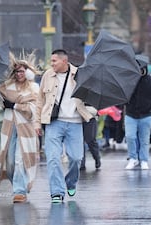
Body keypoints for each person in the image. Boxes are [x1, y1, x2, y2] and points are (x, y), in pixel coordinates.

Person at [35, 49, 93, 203]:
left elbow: (91, 98)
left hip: (75, 122)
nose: (51, 64)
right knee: (53, 158)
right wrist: (37, 123)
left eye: (54, 61)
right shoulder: (48, 75)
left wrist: (90, 113)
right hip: (54, 122)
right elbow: (40, 100)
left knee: (76, 159)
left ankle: (70, 182)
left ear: (64, 61)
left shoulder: (80, 74)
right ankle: (57, 192)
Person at [0, 53, 39, 203]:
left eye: (22, 71)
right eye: (17, 71)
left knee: (19, 160)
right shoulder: (7, 87)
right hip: (9, 128)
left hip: (25, 129)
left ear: (28, 72)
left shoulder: (34, 88)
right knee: (9, 162)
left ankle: (19, 191)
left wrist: (14, 105)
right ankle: (18, 183)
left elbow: (34, 109)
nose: (19, 74)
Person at [124, 55, 151, 170]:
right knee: (130, 136)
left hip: (146, 114)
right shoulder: (129, 81)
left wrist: (150, 105)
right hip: (131, 114)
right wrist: (126, 103)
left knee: (144, 139)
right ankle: (133, 158)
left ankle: (144, 159)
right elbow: (123, 94)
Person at [80, 105, 101, 170]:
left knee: (91, 140)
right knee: (79, 141)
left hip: (90, 116)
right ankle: (81, 163)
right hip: (77, 117)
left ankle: (97, 157)